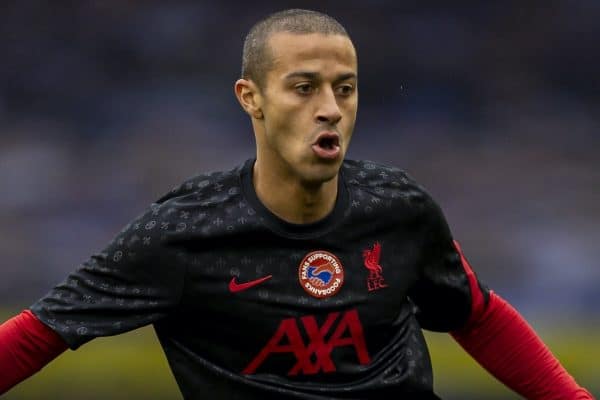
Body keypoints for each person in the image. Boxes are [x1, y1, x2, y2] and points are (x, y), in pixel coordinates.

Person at [0, 9, 594, 400]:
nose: (331, 107)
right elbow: (37, 335)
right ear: (251, 98)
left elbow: (476, 314)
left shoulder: (399, 207)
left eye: (346, 87)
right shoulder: (181, 232)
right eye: (305, 87)